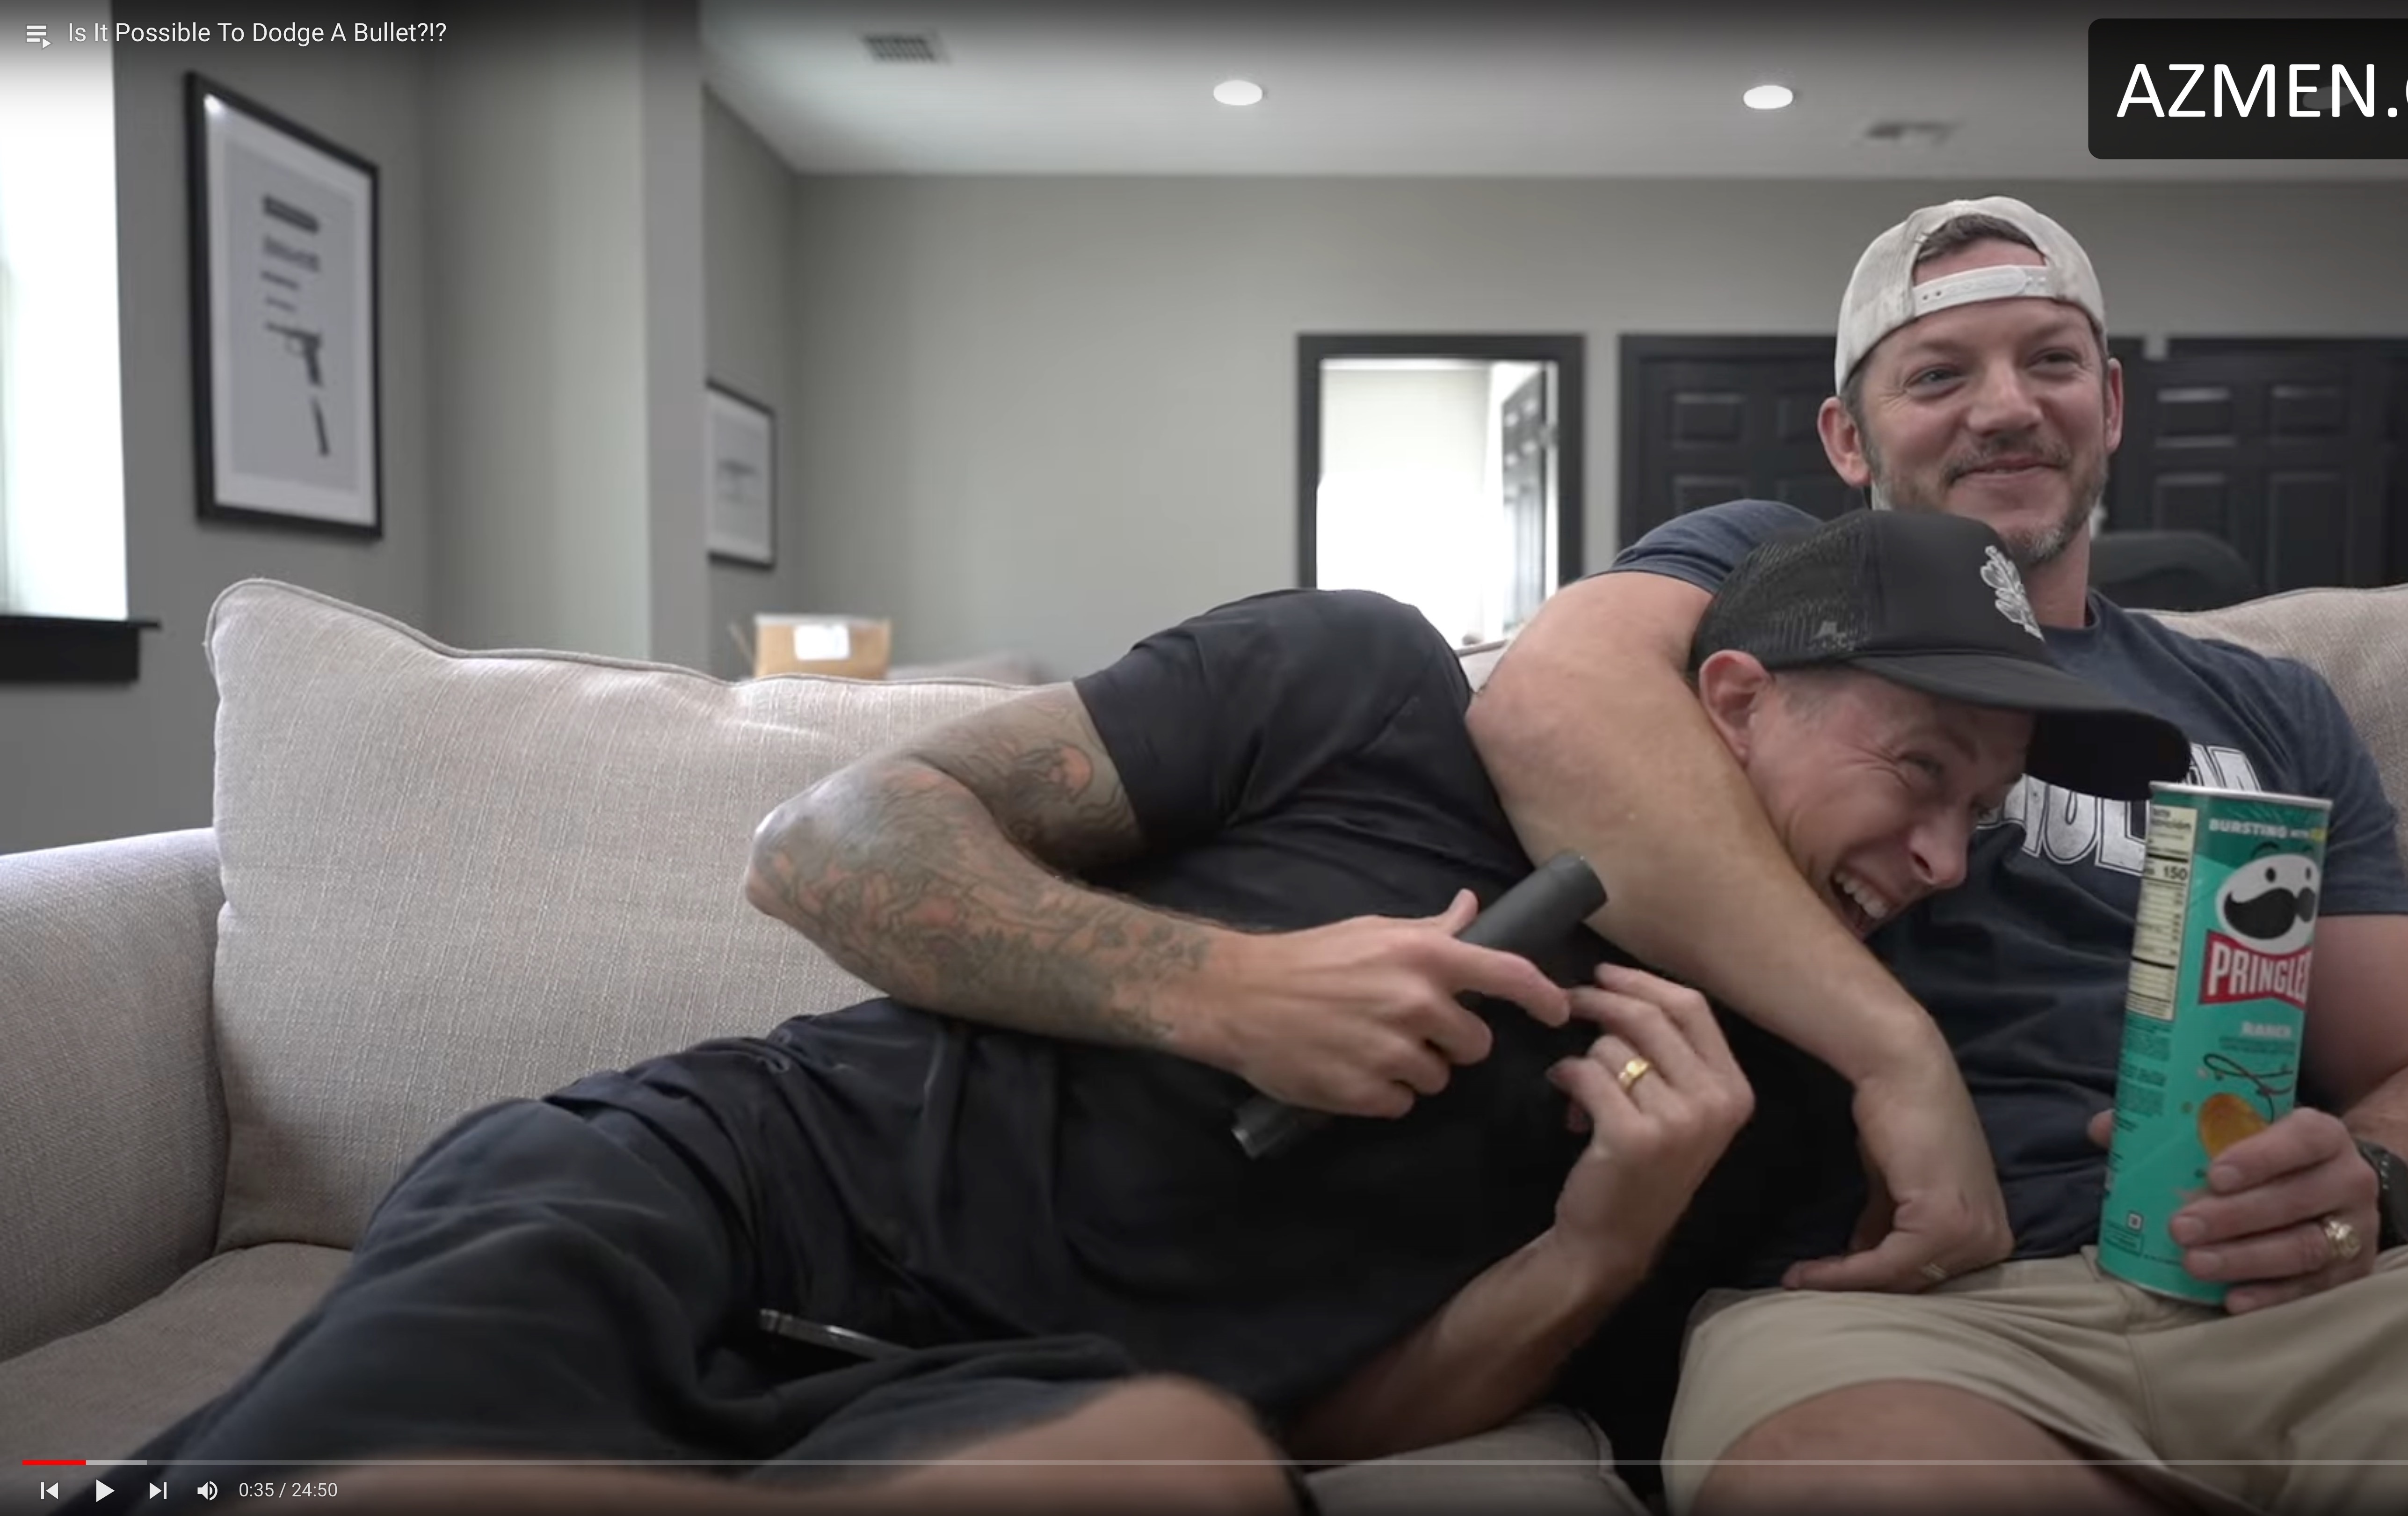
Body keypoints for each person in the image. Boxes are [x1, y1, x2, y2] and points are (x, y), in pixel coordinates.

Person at [114, 509, 2180, 1516]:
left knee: (1191, 1468)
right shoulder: (1363, 688)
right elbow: (826, 847)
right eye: (1919, 775)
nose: (1944, 858)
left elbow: (1349, 1423)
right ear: (1737, 697)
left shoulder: (1782, 1109)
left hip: (1029, 1396)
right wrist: (1222, 988)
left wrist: (1600, 1246)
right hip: (720, 1197)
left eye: (1986, 818)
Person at [1467, 195, 2408, 1515]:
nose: (2006, 408)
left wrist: (2370, 1183)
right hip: (1919, 1320)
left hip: (2311, 1304)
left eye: (2049, 361)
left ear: (2109, 404)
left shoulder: (2268, 706)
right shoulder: (1783, 586)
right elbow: (1552, 704)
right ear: (1847, 436)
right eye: (1938, 375)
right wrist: (1899, 1052)